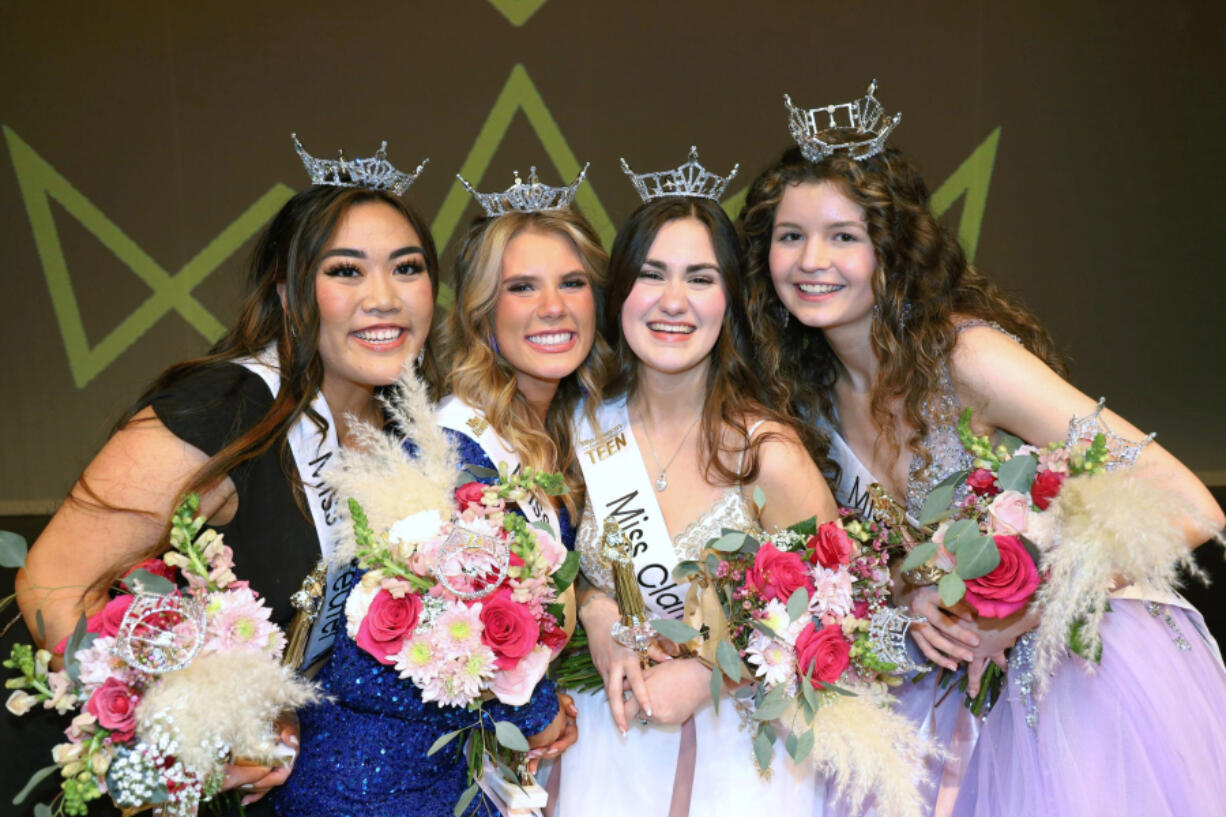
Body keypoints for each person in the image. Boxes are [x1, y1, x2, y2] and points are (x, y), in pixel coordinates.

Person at [741, 82, 1226, 817]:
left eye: (844, 235)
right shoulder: (801, 396)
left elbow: (1190, 503)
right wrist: (909, 600)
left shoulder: (966, 358)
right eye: (790, 235)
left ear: (892, 246)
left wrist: (1027, 605)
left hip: (1070, 683)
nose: (813, 259)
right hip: (938, 689)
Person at [14, 136, 441, 812]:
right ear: (290, 293)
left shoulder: (400, 431)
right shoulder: (225, 408)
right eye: (346, 271)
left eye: (408, 267)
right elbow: (52, 584)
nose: (383, 297)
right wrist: (180, 731)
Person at [273, 174, 605, 816]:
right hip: (379, 787)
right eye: (521, 287)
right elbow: (368, 653)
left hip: (462, 776)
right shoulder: (448, 445)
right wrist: (533, 709)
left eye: (573, 282)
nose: (554, 307)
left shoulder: (562, 433)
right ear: (482, 312)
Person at [555, 149, 840, 817]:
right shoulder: (582, 425)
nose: (673, 302)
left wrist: (715, 668)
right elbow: (555, 563)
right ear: (620, 291)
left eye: (700, 277)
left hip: (733, 762)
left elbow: (839, 610)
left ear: (729, 300)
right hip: (604, 754)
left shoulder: (766, 452)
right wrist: (596, 610)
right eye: (651, 274)